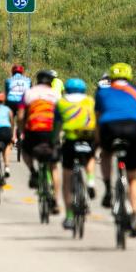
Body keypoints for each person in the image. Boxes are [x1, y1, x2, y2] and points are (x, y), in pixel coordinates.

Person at [95, 62, 136, 237]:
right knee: (134, 179)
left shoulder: (103, 93)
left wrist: (98, 141)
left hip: (110, 128)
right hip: (132, 129)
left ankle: (108, 188)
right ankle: (133, 217)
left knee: (106, 153)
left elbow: (98, 120)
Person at [18, 70, 62, 213]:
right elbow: (61, 117)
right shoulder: (56, 94)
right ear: (50, 82)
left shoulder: (29, 93)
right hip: (50, 131)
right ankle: (55, 200)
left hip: (34, 130)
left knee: (24, 149)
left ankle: (33, 171)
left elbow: (20, 116)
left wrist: (22, 132)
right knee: (53, 166)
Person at [58, 77, 97, 230]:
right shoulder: (90, 101)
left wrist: (54, 140)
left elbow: (57, 124)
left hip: (71, 141)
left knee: (67, 179)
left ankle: (68, 216)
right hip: (88, 137)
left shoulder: (62, 102)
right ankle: (91, 181)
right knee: (90, 157)